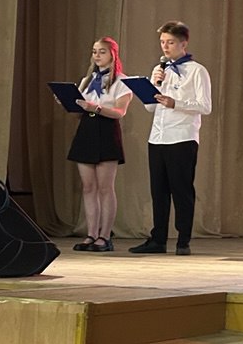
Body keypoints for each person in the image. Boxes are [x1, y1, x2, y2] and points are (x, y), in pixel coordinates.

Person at [129, 21, 212, 256]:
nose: (165, 47)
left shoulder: (197, 71)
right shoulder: (160, 69)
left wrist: (176, 103)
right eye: (163, 42)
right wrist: (152, 86)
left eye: (170, 42)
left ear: (183, 43)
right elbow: (150, 108)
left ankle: (183, 240)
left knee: (182, 191)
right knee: (159, 192)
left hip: (182, 137)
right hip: (158, 137)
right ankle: (158, 239)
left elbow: (205, 106)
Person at [65, 37, 132, 253]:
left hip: (106, 131)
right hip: (87, 131)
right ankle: (91, 234)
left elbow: (120, 112)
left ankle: (105, 235)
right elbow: (79, 113)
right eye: (94, 51)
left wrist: (95, 108)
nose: (97, 55)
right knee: (88, 187)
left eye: (102, 51)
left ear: (112, 54)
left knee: (105, 187)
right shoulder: (87, 80)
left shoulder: (121, 81)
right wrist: (70, 103)